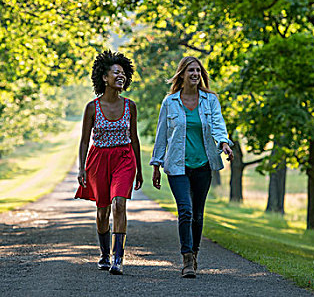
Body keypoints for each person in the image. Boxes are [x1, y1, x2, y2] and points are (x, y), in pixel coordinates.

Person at [150, 56, 234, 278]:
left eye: (198, 70)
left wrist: (224, 142)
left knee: (197, 214)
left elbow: (217, 124)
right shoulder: (170, 102)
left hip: (203, 165)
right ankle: (187, 258)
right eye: (191, 71)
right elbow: (162, 135)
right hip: (178, 166)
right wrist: (156, 164)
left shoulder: (210, 100)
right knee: (185, 211)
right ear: (182, 74)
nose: (195, 74)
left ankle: (194, 254)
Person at [75, 50, 144, 275]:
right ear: (105, 78)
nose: (121, 76)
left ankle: (118, 258)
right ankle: (104, 254)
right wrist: (81, 168)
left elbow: (134, 139)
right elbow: (85, 141)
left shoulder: (130, 106)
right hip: (98, 160)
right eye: (116, 73)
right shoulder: (92, 107)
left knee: (119, 203)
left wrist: (140, 170)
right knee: (103, 211)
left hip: (124, 158)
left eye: (123, 73)